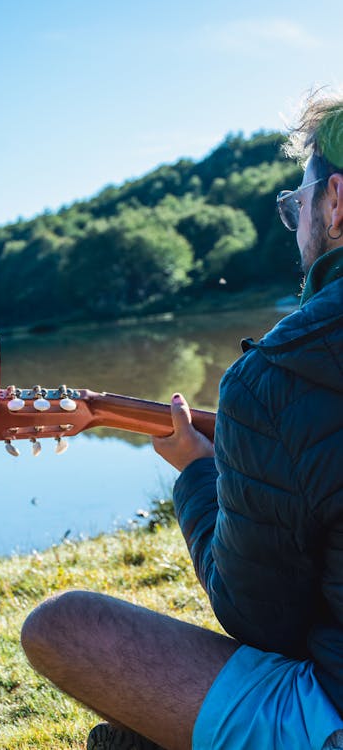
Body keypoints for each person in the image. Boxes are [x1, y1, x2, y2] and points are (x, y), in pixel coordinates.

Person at [20, 91, 343, 750]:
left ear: (336, 204)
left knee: (62, 626)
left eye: (296, 205)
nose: (298, 224)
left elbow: (263, 623)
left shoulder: (278, 378)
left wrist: (199, 473)